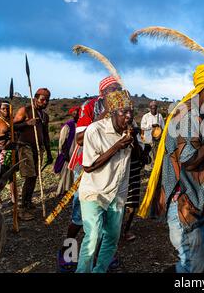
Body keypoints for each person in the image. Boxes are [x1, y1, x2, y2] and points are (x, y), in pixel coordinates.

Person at [142, 62, 204, 273]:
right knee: (194, 264)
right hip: (182, 200)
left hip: (194, 198)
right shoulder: (188, 116)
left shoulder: (200, 114)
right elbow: (189, 160)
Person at [58, 76, 122, 272]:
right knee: (80, 215)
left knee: (106, 214)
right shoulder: (90, 106)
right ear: (102, 93)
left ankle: (102, 255)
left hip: (109, 166)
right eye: (113, 89)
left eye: (119, 89)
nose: (117, 93)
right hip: (87, 164)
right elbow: (79, 139)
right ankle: (68, 251)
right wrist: (105, 115)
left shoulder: (122, 107)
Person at [75, 90, 134, 273]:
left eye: (131, 112)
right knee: (93, 236)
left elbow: (140, 158)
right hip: (94, 191)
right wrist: (117, 146)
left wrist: (135, 141)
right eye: (124, 112)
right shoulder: (95, 130)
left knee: (112, 237)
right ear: (113, 113)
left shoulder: (130, 129)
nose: (129, 116)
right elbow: (88, 166)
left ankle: (99, 270)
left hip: (117, 193)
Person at [13, 88, 53, 221]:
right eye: (42, 99)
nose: (45, 102)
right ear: (35, 98)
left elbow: (46, 135)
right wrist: (27, 123)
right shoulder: (25, 110)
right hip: (25, 146)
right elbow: (12, 127)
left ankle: (28, 202)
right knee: (30, 176)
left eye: (47, 100)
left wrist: (48, 152)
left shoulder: (44, 116)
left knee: (35, 176)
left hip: (38, 148)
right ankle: (22, 209)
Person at [54, 107, 80, 196]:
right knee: (66, 171)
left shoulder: (82, 124)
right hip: (69, 151)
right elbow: (63, 140)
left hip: (78, 151)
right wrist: (65, 153)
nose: (76, 114)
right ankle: (64, 190)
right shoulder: (68, 125)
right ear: (72, 114)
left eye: (78, 112)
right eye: (74, 113)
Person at [0, 102, 16, 209]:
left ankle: (13, 197)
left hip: (13, 151)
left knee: (12, 175)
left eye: (7, 108)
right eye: (3, 108)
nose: (5, 110)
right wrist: (2, 147)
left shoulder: (14, 121)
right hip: (0, 152)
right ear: (0, 110)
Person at [140, 100, 165, 166]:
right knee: (149, 154)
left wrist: (159, 127)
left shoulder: (160, 116)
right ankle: (148, 169)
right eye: (152, 107)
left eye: (155, 107)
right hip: (148, 139)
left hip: (157, 139)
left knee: (157, 153)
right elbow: (142, 127)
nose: (153, 108)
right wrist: (151, 126)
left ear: (157, 108)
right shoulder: (146, 116)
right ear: (150, 108)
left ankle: (156, 167)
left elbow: (163, 127)